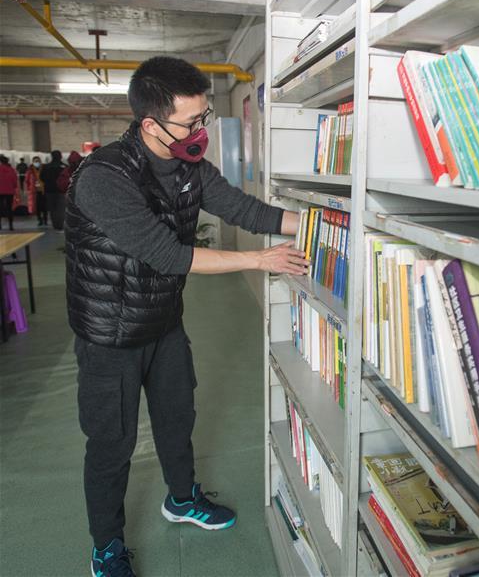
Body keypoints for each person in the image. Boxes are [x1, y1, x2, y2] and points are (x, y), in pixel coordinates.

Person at [66, 56, 308, 577]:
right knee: (112, 444)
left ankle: (181, 499)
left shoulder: (189, 166)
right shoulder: (103, 176)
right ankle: (106, 545)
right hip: (110, 335)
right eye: (193, 122)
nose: (201, 131)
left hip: (163, 322)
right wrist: (258, 259)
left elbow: (245, 210)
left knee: (178, 419)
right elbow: (168, 254)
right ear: (150, 124)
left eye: (203, 119)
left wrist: (322, 221)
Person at [40, 149, 67, 230]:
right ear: (60, 156)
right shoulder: (64, 167)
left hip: (49, 190)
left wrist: (48, 183)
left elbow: (42, 177)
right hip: (61, 190)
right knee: (61, 208)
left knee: (52, 209)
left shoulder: (46, 167)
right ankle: (60, 225)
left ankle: (55, 225)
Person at [25, 155, 48, 226]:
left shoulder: (44, 168)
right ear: (33, 162)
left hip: (44, 189)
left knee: (44, 206)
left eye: (38, 161)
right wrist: (28, 189)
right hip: (34, 191)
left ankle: (45, 219)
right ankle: (39, 219)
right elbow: (27, 180)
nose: (37, 163)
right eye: (35, 161)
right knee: (37, 206)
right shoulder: (30, 170)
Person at [0, 155, 20, 230]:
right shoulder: (11, 169)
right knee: (9, 208)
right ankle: (11, 225)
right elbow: (15, 181)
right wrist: (13, 187)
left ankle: (0, 225)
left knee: (0, 207)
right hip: (9, 191)